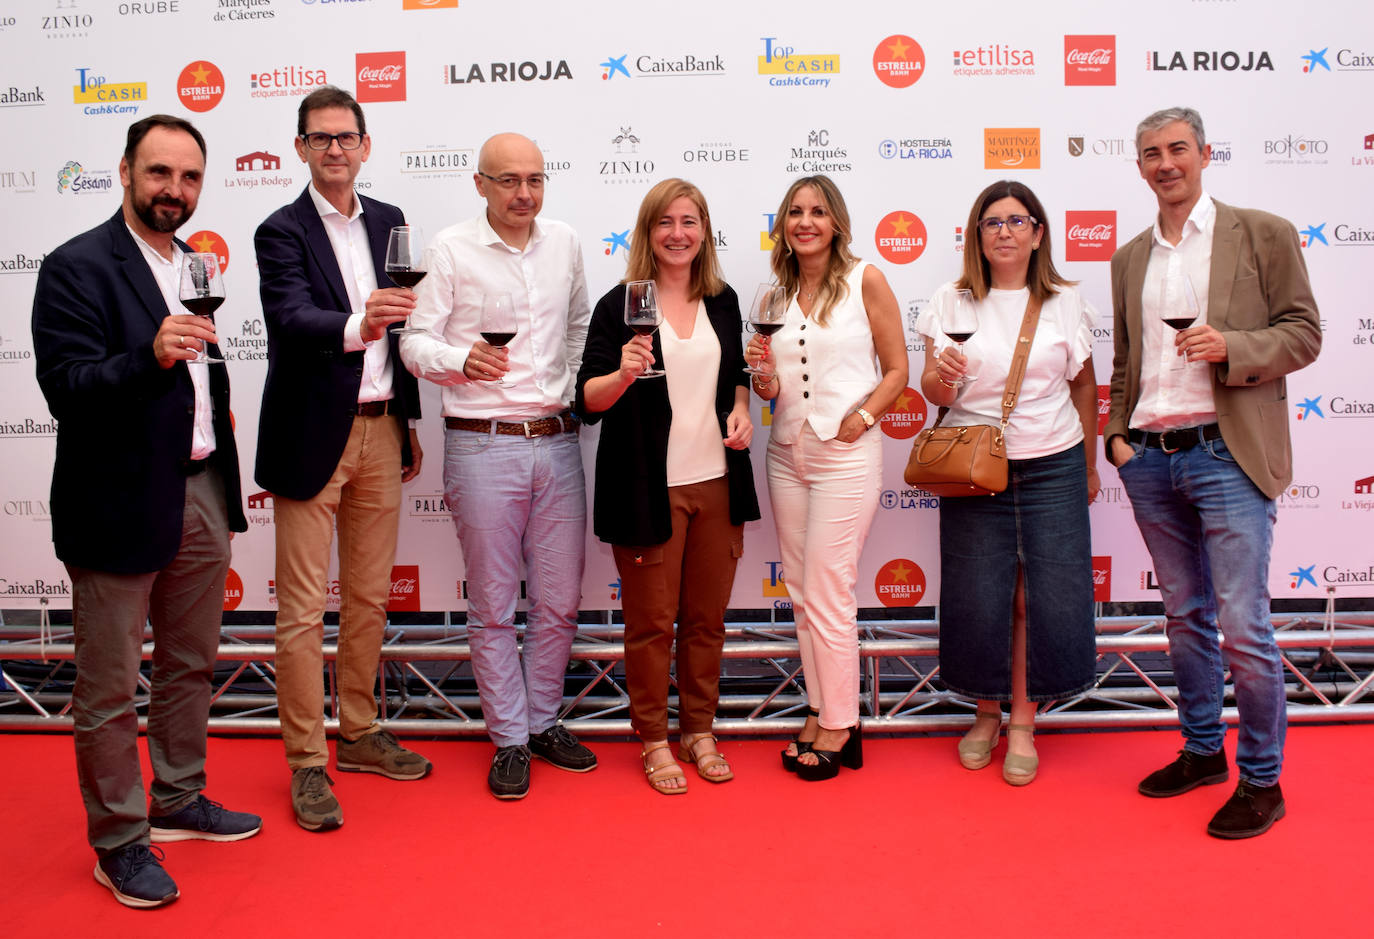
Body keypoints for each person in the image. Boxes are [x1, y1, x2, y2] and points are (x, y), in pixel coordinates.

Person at [31, 115, 261, 909]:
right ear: (126, 170)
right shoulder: (76, 266)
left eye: (189, 177)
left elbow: (205, 387)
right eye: (160, 173)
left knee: (191, 661)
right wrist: (149, 355)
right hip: (115, 497)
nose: (175, 190)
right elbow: (67, 387)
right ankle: (120, 841)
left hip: (198, 486)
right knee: (107, 686)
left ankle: (178, 796)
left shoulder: (195, 263)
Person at [1106, 107, 1321, 838]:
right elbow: (1128, 361)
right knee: (1183, 618)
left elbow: (1305, 332)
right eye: (1149, 154)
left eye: (1176, 149)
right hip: (1152, 458)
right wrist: (1116, 436)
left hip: (1228, 454)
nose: (1164, 163)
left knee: (1240, 622)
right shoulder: (1130, 256)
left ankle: (1263, 777)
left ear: (1203, 153)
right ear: (1138, 167)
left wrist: (1230, 344)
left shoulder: (1259, 231)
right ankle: (1203, 751)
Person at [254, 86, 431, 833]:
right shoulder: (279, 230)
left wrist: (409, 421)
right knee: (300, 611)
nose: (334, 148)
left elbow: (408, 334)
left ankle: (357, 731)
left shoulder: (390, 221)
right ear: (300, 148)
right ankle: (305, 761)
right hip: (309, 437)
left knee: (367, 597)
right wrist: (363, 321)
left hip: (383, 429)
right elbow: (292, 320)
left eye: (345, 136)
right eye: (319, 137)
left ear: (365, 145)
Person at [401, 132, 596, 800]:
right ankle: (508, 736)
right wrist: (460, 362)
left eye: (535, 180)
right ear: (479, 183)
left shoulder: (565, 242)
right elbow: (414, 342)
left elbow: (578, 326)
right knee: (491, 605)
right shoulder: (450, 249)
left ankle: (542, 721)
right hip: (482, 442)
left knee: (559, 600)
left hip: (559, 440)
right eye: (509, 180)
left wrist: (568, 389)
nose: (524, 194)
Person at [575, 179, 760, 794]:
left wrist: (741, 406)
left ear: (704, 231)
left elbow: (735, 372)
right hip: (645, 490)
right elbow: (587, 402)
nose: (678, 233)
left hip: (716, 485)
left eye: (690, 221)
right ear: (647, 232)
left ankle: (699, 730)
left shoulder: (724, 299)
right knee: (652, 624)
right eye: (665, 222)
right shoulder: (620, 305)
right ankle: (655, 739)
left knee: (706, 622)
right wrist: (622, 374)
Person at [917, 180, 1101, 787]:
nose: (1004, 231)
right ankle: (985, 711)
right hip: (974, 465)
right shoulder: (951, 300)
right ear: (977, 235)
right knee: (979, 594)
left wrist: (1090, 464)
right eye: (992, 222)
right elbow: (933, 393)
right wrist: (943, 378)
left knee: (1043, 596)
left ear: (1038, 233)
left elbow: (1082, 386)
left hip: (1053, 460)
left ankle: (1024, 717)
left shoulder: (1067, 302)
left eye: (1017, 221)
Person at [745, 175, 907, 781]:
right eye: (794, 212)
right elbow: (771, 389)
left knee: (830, 587)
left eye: (817, 212)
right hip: (786, 453)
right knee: (801, 589)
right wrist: (761, 379)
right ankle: (819, 707)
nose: (804, 222)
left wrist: (862, 419)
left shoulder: (866, 278)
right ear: (782, 225)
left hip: (846, 453)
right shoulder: (776, 295)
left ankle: (843, 723)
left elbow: (897, 369)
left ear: (836, 221)